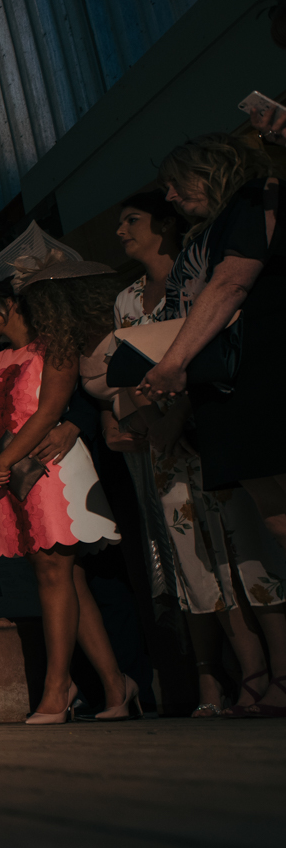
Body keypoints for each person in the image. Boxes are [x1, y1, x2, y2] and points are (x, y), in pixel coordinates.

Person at [130, 134, 286, 716]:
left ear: (212, 170)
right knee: (275, 516)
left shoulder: (255, 199)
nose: (170, 195)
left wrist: (172, 364)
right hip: (226, 388)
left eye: (178, 182)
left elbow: (231, 285)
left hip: (264, 369)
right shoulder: (206, 232)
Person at [0, 266, 134, 724]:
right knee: (65, 579)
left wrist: (2, 462)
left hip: (49, 470)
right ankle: (116, 687)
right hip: (6, 474)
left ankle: (57, 686)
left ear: (12, 305)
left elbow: (47, 414)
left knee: (54, 574)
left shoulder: (56, 348)